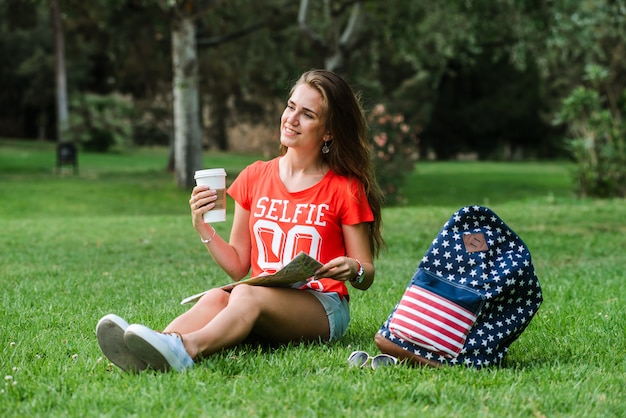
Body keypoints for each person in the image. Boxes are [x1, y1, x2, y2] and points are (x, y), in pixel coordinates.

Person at [96, 69, 385, 372]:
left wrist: (353, 268)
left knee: (243, 293)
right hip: (264, 296)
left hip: (321, 305)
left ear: (328, 132)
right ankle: (154, 347)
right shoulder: (254, 176)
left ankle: (185, 350)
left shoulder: (344, 188)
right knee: (216, 297)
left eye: (308, 114)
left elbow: (366, 274)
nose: (291, 119)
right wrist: (202, 226)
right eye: (290, 107)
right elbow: (238, 265)